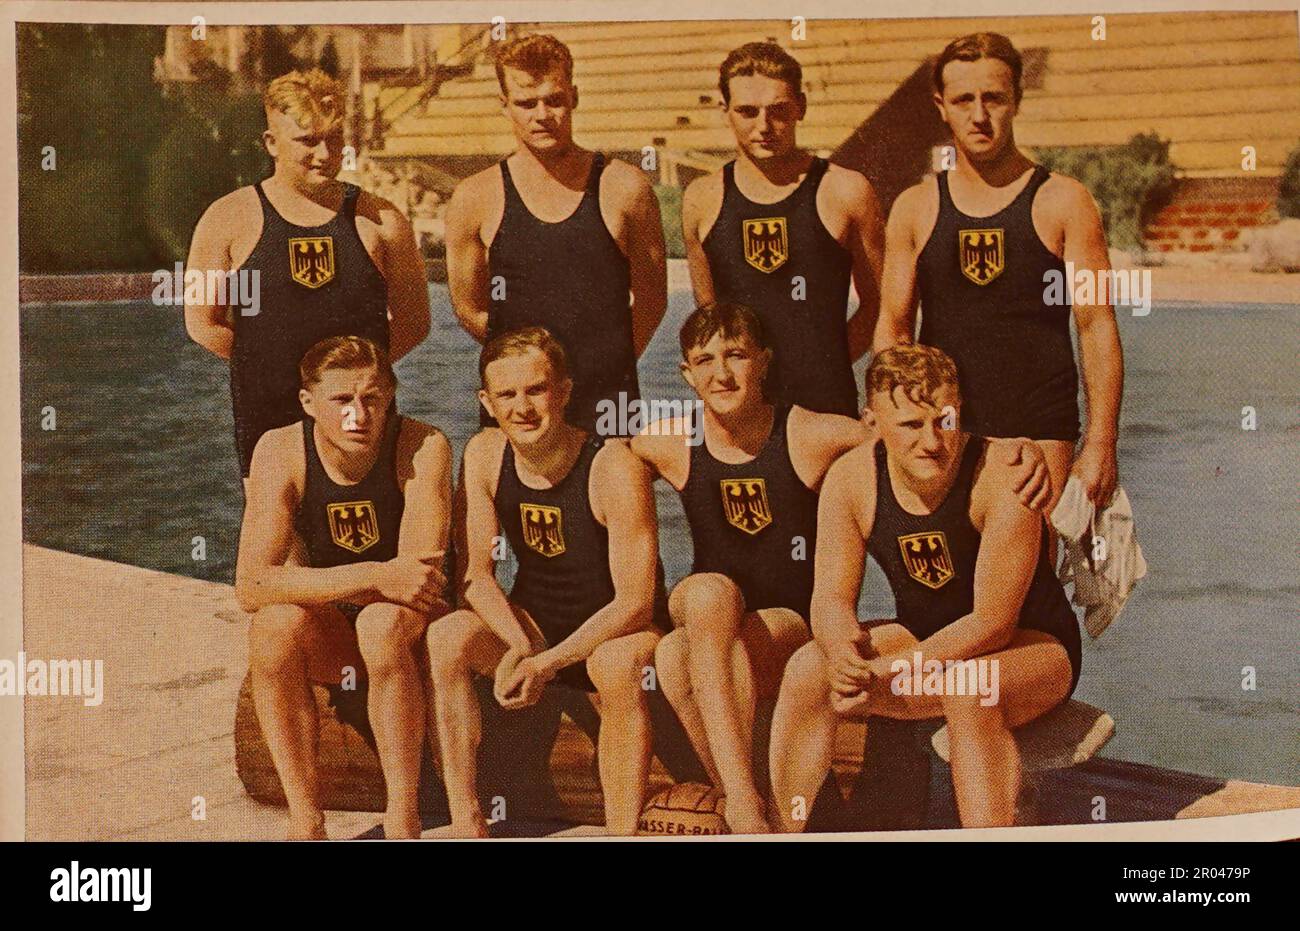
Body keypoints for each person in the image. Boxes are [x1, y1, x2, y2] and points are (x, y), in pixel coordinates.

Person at [769, 344, 1080, 831]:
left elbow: (993, 625)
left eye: (945, 421)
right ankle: (782, 831)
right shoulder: (851, 480)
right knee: (810, 668)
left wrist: (892, 669)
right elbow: (830, 599)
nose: (932, 441)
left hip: (1034, 647)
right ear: (872, 423)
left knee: (968, 689)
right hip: (923, 641)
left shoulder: (1003, 475)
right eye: (911, 425)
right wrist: (841, 650)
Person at [632, 301, 868, 833]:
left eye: (736, 355)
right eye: (705, 359)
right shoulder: (671, 442)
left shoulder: (809, 433)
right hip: (707, 608)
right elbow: (589, 471)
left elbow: (903, 446)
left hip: (786, 622)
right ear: (687, 375)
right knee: (709, 598)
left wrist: (1009, 452)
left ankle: (741, 801)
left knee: (673, 654)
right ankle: (750, 804)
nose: (722, 372)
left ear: (763, 361)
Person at [426, 327, 667, 837]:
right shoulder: (485, 456)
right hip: (536, 626)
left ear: (564, 391)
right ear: (486, 403)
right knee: (447, 636)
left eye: (536, 390)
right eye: (507, 395)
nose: (523, 408)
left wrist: (546, 663)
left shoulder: (613, 468)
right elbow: (474, 576)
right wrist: (517, 642)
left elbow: (636, 602)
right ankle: (467, 817)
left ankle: (622, 831)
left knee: (614, 663)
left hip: (615, 630)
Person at [875, 32, 1122, 509]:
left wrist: (1101, 444)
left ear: (1017, 101)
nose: (979, 115)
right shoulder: (915, 207)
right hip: (941, 433)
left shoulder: (1065, 201)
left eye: (994, 98)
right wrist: (889, 420)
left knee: (1033, 582)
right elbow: (893, 327)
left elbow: (1096, 326)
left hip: (1039, 431)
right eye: (963, 100)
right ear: (941, 106)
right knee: (948, 584)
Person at [235, 335, 452, 840]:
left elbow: (416, 582)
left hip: (409, 631)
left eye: (372, 399)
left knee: (380, 622)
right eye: (342, 401)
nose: (359, 415)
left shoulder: (421, 446)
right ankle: (306, 819)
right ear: (309, 404)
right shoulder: (279, 449)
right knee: (272, 626)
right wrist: (374, 574)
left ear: (391, 397)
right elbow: (252, 585)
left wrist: (352, 585)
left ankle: (403, 816)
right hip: (337, 630)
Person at [185, 68, 431, 480]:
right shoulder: (224, 218)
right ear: (271, 143)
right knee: (281, 537)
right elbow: (201, 323)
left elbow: (415, 321)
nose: (323, 154)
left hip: (359, 414)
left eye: (334, 139)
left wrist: (355, 382)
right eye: (307, 141)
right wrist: (270, 365)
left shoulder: (384, 220)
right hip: (269, 410)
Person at [444, 33, 667, 432]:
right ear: (505, 106)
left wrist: (602, 364)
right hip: (519, 406)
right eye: (527, 103)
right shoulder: (475, 197)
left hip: (606, 398)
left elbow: (652, 301)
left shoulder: (625, 187)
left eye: (554, 100)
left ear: (574, 97)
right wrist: (524, 372)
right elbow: (470, 309)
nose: (542, 115)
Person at [683, 42, 884, 418]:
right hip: (741, 417)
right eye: (747, 111)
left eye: (778, 111)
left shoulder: (845, 190)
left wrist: (829, 362)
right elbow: (710, 323)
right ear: (724, 111)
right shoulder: (701, 199)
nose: (764, 126)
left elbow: (880, 305)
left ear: (801, 107)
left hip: (826, 409)